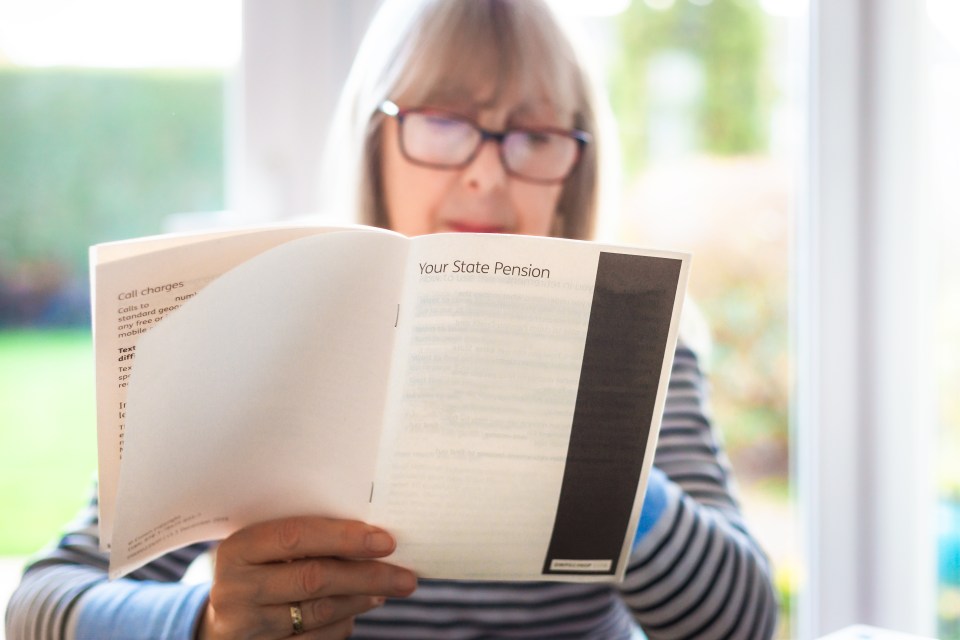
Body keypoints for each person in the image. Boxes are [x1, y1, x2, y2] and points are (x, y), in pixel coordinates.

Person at [5, 0, 779, 638]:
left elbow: (744, 622)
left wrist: (610, 474)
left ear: (574, 169)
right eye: (444, 122)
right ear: (375, 141)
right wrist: (203, 623)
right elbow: (39, 607)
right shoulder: (263, 333)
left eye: (535, 135)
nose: (485, 173)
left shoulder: (639, 351)